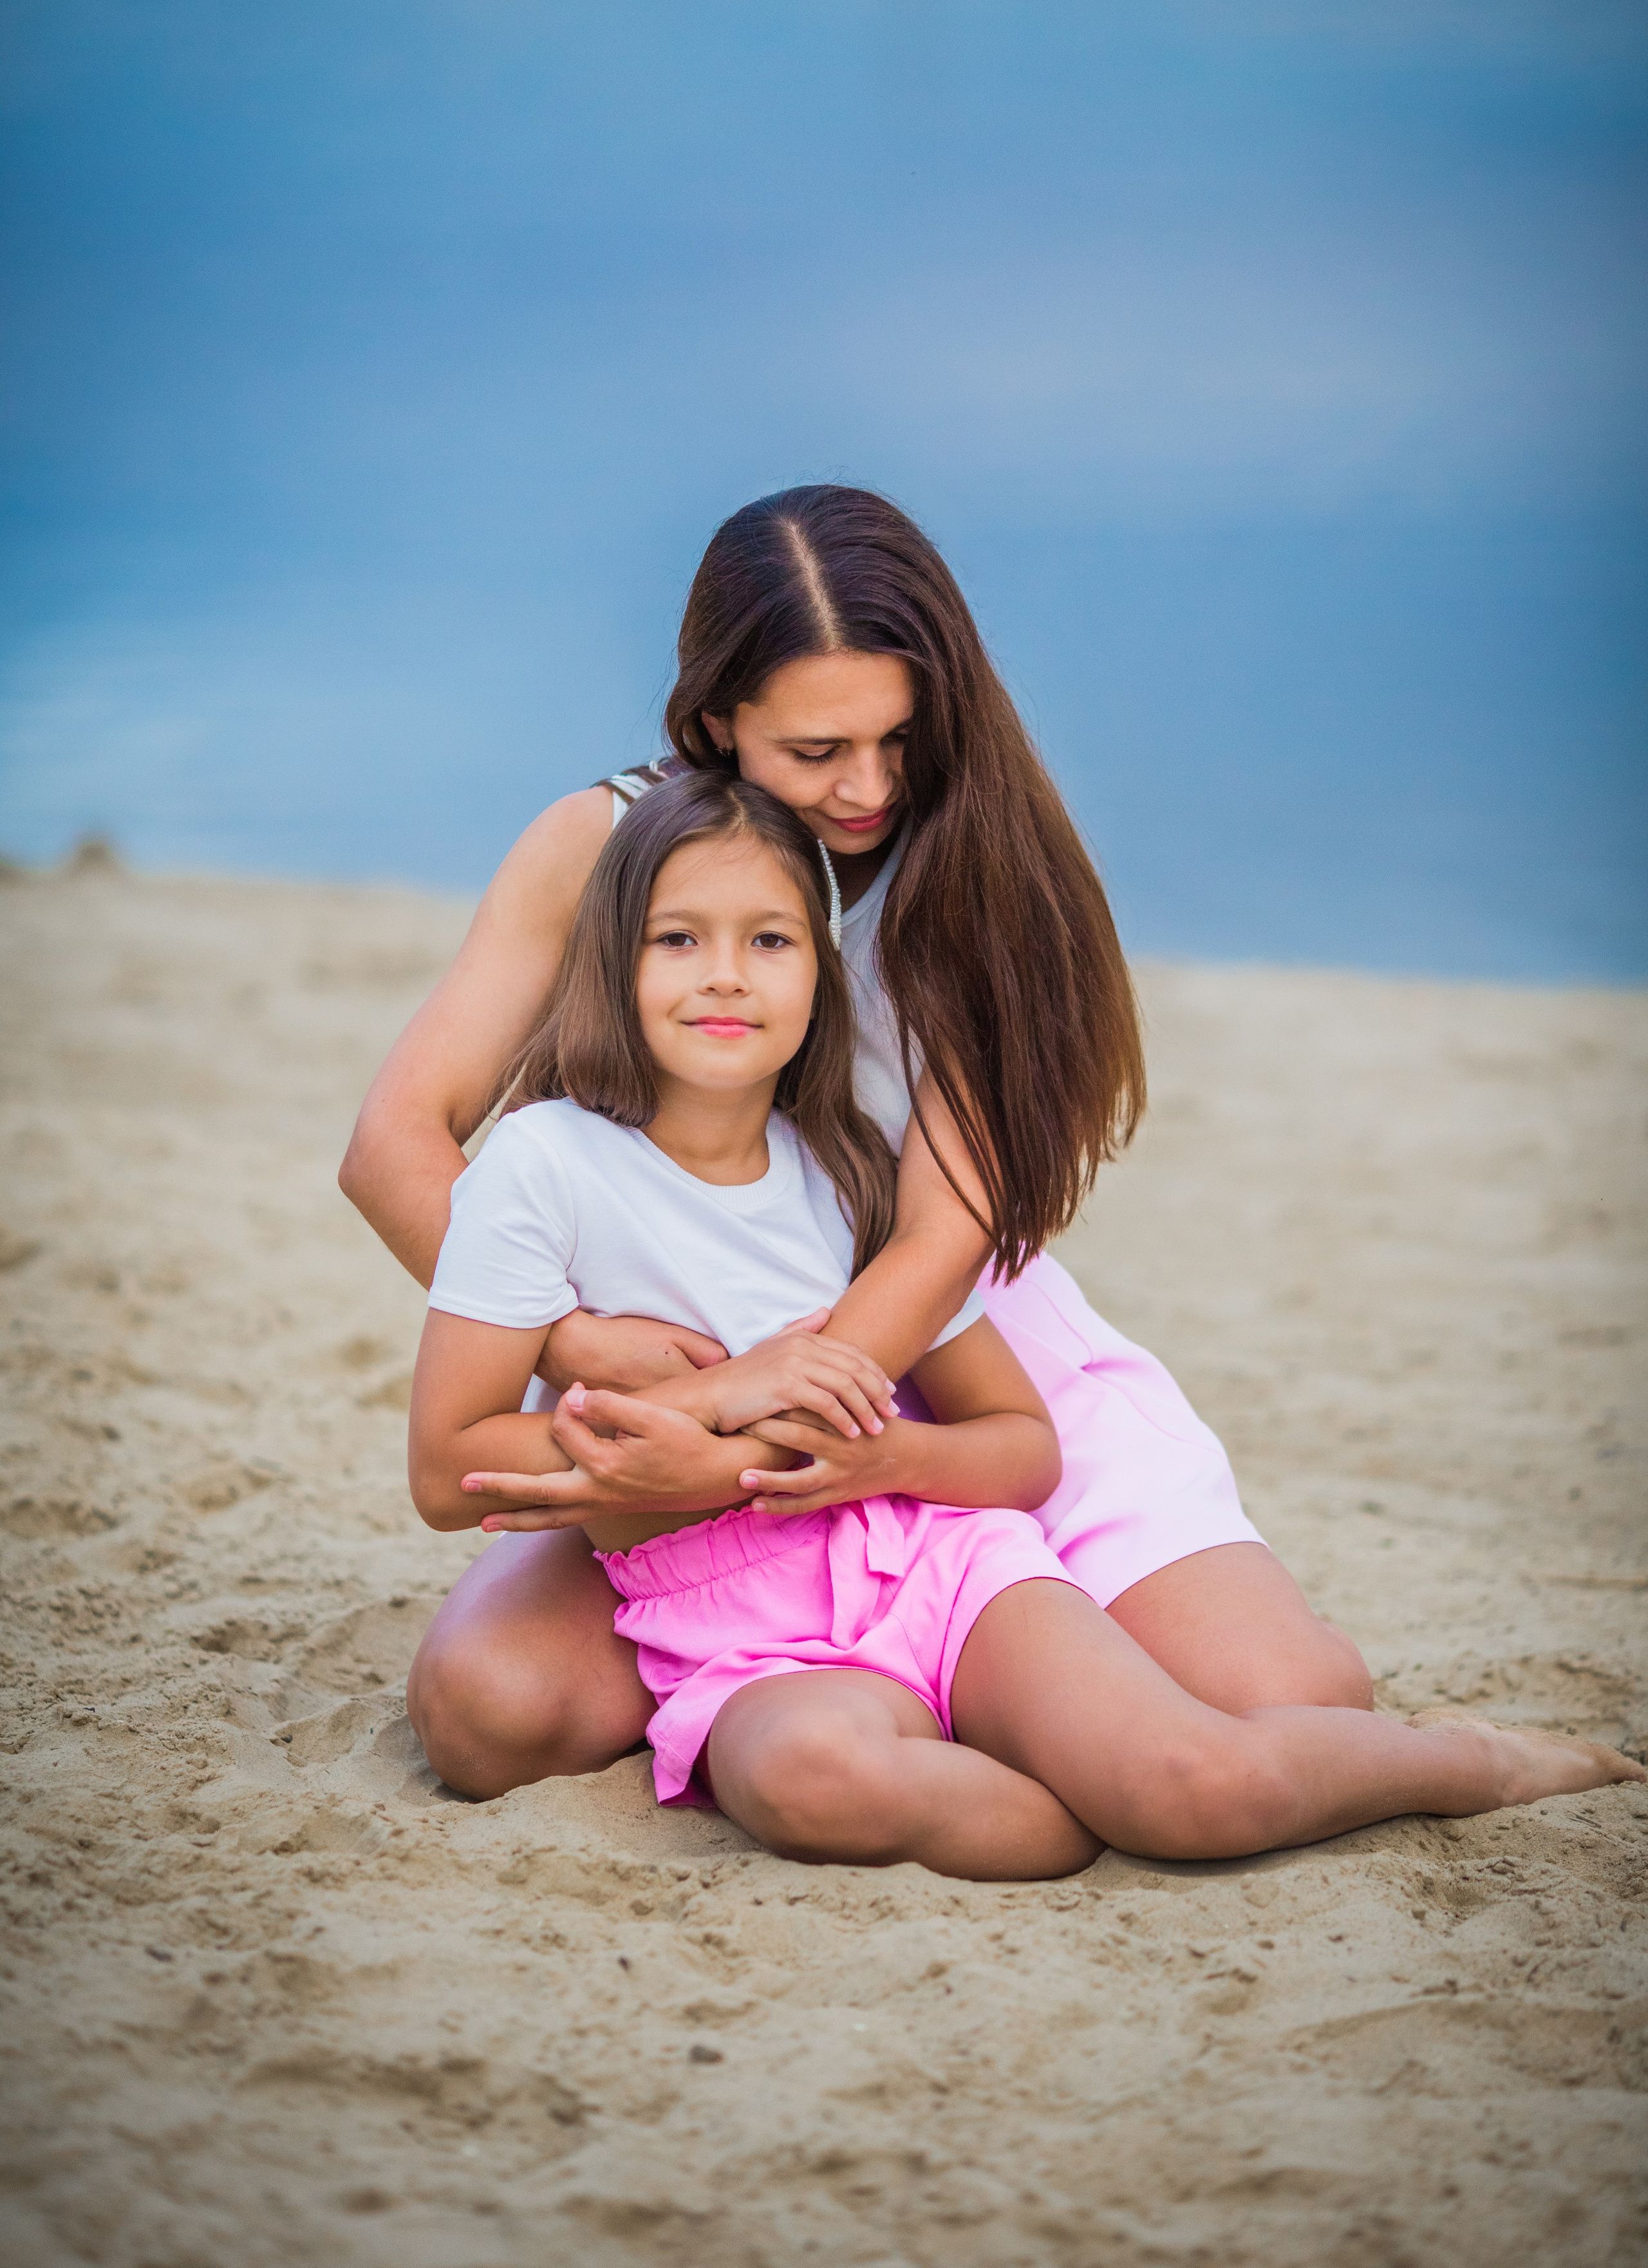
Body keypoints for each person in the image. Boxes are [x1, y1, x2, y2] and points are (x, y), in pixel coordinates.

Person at [409, 772, 1640, 1875]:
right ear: (613, 964)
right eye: (680, 939)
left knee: (1196, 1788)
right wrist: (724, 1401)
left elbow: (1018, 1446)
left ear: (821, 978)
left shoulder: (851, 1176)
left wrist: (887, 1457)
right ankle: (1072, 1788)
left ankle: (1473, 1763)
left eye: (771, 940)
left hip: (937, 1565)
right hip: (733, 1631)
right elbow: (445, 1465)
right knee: (805, 1780)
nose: (726, 972)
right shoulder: (545, 1164)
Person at [342, 482, 1370, 1800]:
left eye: (900, 737)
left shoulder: (988, 872)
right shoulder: (602, 846)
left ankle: (978, 1665)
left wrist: (748, 1437)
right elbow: (395, 1145)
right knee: (493, 1717)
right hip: (688, 1359)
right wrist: (577, 1344)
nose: (870, 786)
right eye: (818, 750)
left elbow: (941, 1238)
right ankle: (924, 1691)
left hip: (941, 1350)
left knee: (1290, 1698)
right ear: (717, 720)